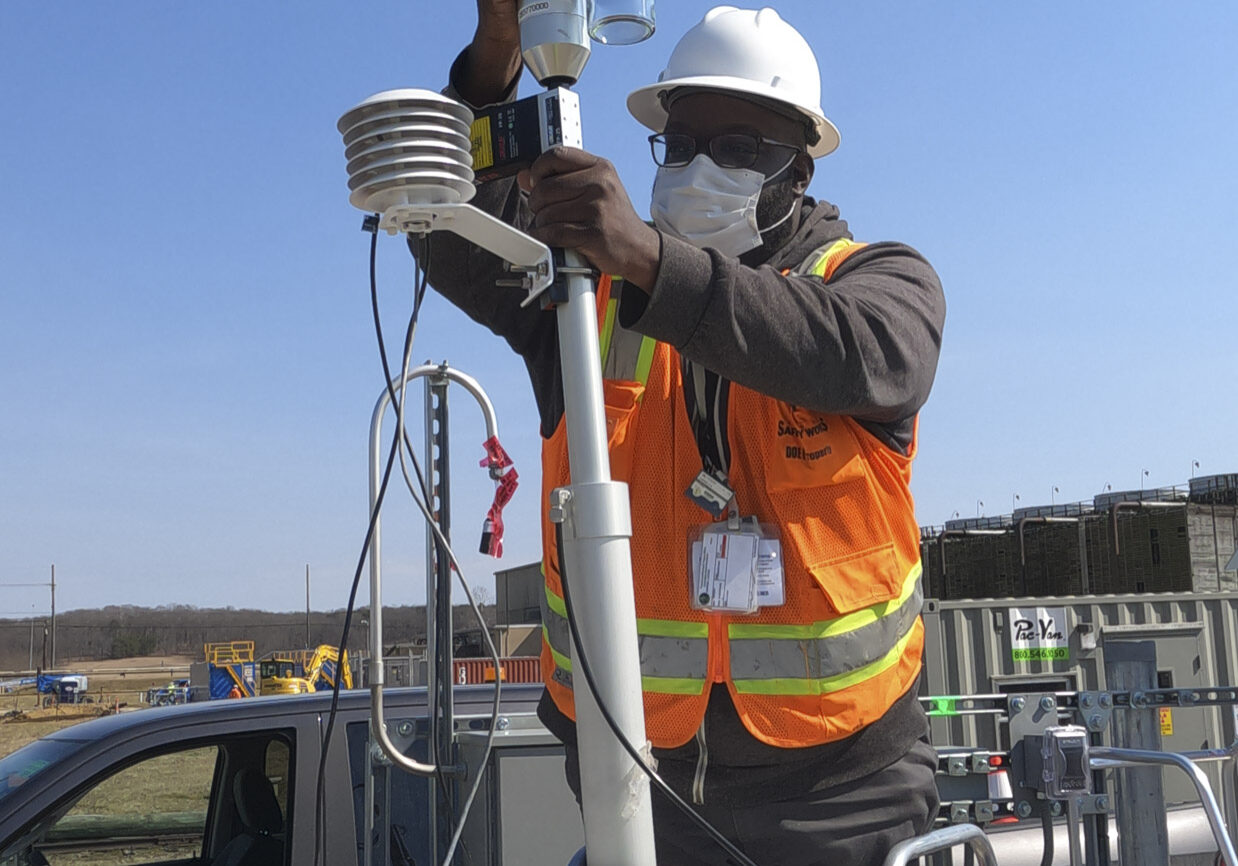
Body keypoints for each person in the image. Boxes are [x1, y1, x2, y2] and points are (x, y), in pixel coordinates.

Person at [420, 4, 946, 864]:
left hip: (842, 798)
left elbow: (857, 352)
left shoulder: (878, 281)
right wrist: (496, 55)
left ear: (799, 172)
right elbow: (454, 233)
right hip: (636, 786)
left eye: (741, 148)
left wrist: (649, 258)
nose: (703, 166)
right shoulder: (587, 293)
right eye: (686, 142)